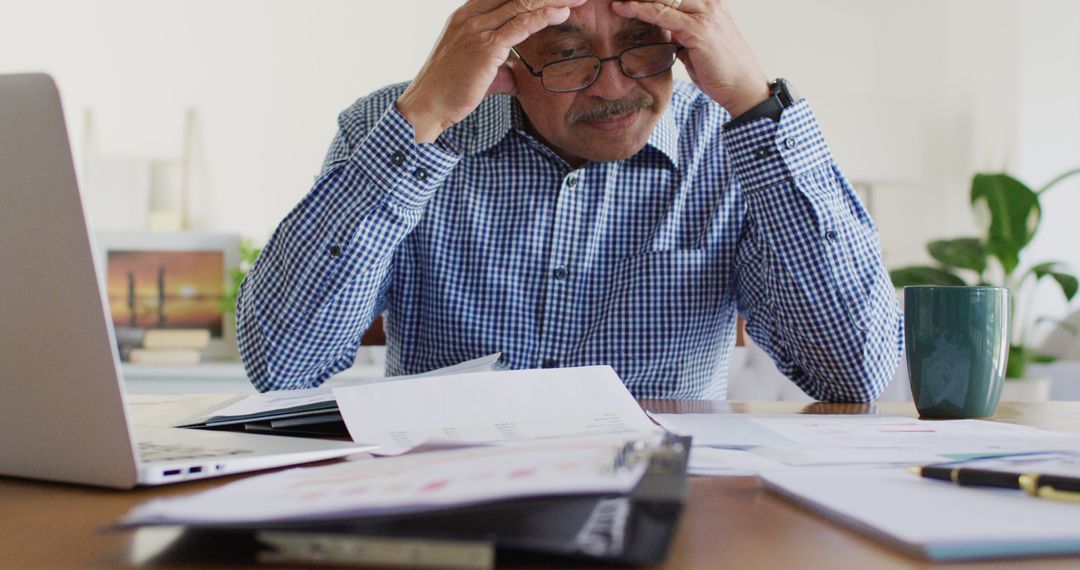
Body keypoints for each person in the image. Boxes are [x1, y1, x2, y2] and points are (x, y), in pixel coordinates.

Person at [237, 0, 903, 401]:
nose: (614, 86)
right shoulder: (398, 128)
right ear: (501, 49)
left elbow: (853, 375)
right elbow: (283, 364)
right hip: (449, 511)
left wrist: (759, 109)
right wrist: (427, 116)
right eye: (566, 56)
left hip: (670, 517)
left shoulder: (737, 145)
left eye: (643, 46)